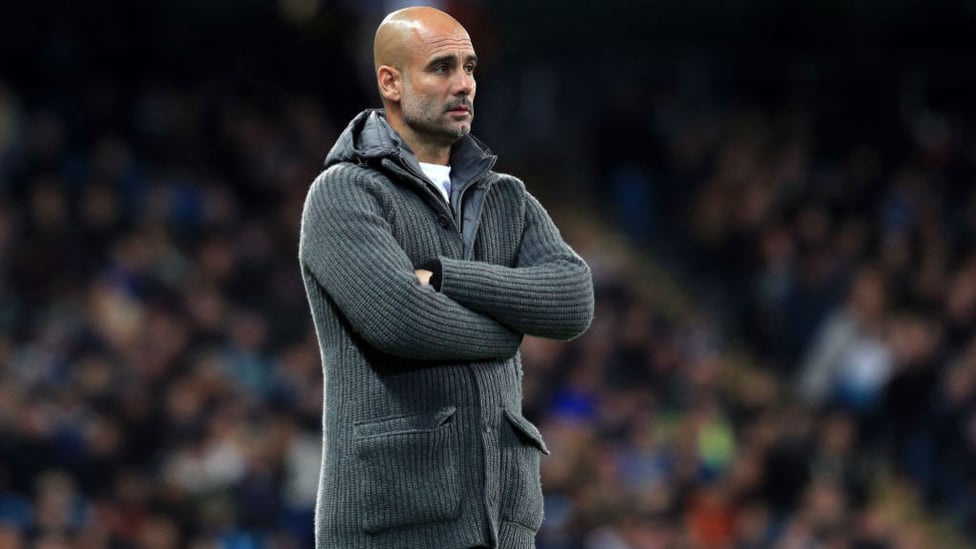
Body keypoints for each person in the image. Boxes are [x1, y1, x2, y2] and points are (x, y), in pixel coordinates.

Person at [298, 6, 594, 548]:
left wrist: (447, 278)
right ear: (391, 80)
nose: (464, 85)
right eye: (441, 67)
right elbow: (401, 321)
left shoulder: (507, 196)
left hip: (503, 523)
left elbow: (573, 300)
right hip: (392, 524)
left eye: (471, 66)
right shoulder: (344, 192)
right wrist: (507, 332)